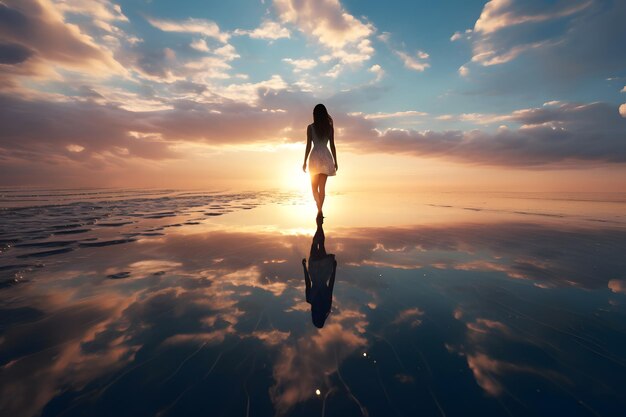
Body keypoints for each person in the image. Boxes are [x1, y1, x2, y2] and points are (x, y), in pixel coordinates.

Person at [302, 104, 338, 220]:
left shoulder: (310, 127)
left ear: (315, 114)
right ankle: (320, 210)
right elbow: (332, 145)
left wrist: (304, 161)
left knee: (314, 188)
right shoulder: (329, 127)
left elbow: (308, 145)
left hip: (314, 157)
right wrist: (335, 161)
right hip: (326, 157)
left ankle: (319, 209)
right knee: (322, 188)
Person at [302, 217, 337, 328]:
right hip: (319, 270)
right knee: (318, 243)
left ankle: (319, 224)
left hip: (319, 270)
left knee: (317, 243)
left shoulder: (312, 300)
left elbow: (308, 283)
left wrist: (304, 267)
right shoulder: (321, 301)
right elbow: (331, 284)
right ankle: (319, 224)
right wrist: (335, 268)